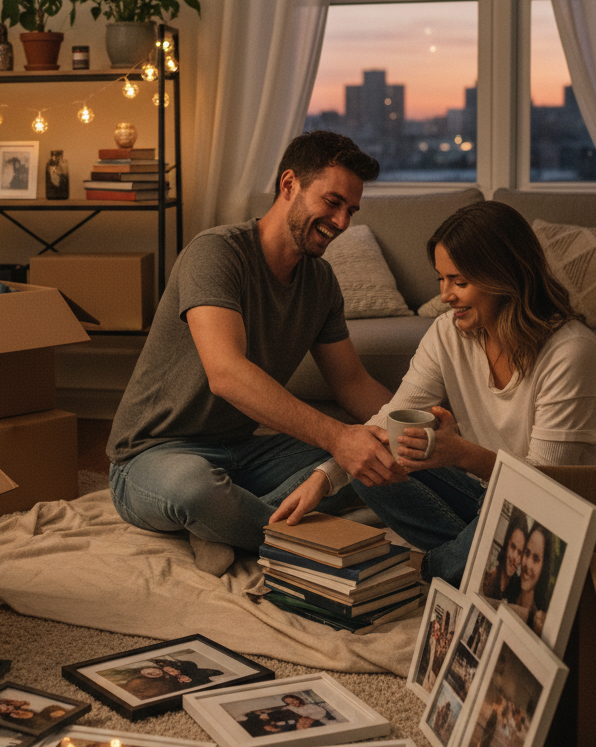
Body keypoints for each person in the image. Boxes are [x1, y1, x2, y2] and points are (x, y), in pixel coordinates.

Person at [272, 201, 596, 586]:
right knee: (368, 463)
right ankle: (480, 562)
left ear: (505, 277)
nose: (445, 296)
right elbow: (391, 418)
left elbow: (544, 484)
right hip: (493, 498)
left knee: (508, 525)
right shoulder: (449, 333)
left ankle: (435, 568)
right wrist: (325, 477)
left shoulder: (571, 352)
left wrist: (461, 454)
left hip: (567, 514)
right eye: (441, 280)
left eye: (459, 282)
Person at [106, 131, 403, 573]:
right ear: (289, 186)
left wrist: (406, 429)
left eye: (351, 210)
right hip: (153, 455)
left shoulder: (320, 282)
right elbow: (226, 374)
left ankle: (220, 526)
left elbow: (352, 384)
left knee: (376, 464)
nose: (342, 222)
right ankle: (282, 534)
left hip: (244, 452)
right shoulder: (216, 254)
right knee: (197, 491)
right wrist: (339, 440)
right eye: (332, 202)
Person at [509, 522, 554, 635]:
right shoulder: (506, 590)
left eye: (536, 559)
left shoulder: (537, 623)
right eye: (527, 553)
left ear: (543, 567)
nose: (527, 564)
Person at [481, 507, 529, 605]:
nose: (515, 558)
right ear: (506, 546)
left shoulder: (518, 591)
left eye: (520, 552)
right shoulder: (487, 578)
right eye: (513, 547)